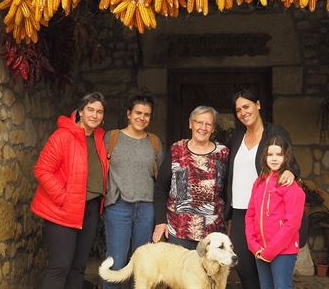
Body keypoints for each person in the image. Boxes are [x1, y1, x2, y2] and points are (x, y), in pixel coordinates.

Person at [31, 92, 108, 289]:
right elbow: (42, 169)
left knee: (78, 267)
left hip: (90, 210)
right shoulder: (63, 136)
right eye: (90, 109)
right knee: (60, 267)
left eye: (99, 111)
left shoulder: (100, 138)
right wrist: (63, 197)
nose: (94, 115)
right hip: (61, 211)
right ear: (80, 112)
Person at [226, 89, 300, 289]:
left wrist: (291, 173)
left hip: (269, 211)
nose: (243, 112)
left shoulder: (275, 133)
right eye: (238, 109)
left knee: (270, 266)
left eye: (247, 106)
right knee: (243, 265)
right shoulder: (236, 137)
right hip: (241, 210)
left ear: (258, 105)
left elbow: (292, 163)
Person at [102, 90, 164, 289]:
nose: (142, 118)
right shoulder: (112, 137)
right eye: (138, 113)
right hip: (118, 207)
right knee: (116, 263)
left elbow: (161, 180)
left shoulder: (154, 142)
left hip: (146, 209)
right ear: (129, 114)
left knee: (141, 267)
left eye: (146, 114)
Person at [153, 105, 229, 250]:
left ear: (213, 128)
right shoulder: (177, 149)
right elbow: (160, 189)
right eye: (199, 122)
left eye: (208, 124)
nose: (203, 127)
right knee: (178, 272)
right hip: (178, 230)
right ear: (190, 123)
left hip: (212, 235)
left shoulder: (223, 153)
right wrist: (160, 221)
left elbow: (229, 190)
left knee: (209, 272)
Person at [245, 135, 305, 289]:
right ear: (264, 156)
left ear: (286, 157)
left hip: (283, 251)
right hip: (260, 250)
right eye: (270, 154)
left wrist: (270, 251)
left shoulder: (290, 186)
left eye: (279, 154)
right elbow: (250, 215)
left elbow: (292, 224)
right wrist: (254, 246)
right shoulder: (259, 182)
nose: (274, 158)